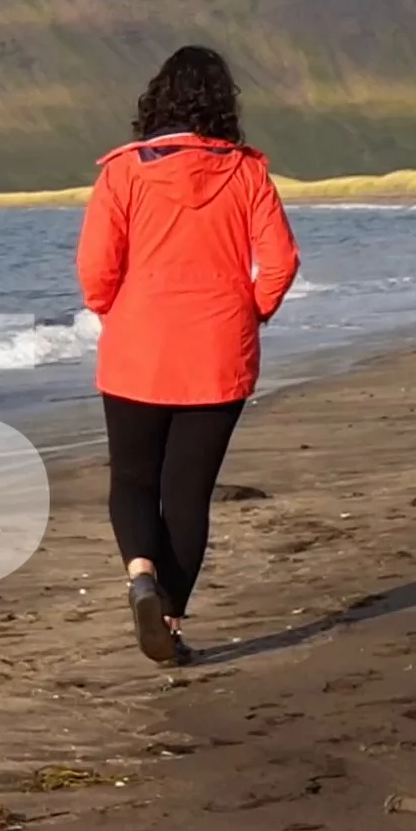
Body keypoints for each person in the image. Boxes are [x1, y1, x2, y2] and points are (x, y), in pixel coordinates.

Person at [76, 44, 299, 665]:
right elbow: (280, 262)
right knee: (189, 495)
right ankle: (168, 623)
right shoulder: (248, 172)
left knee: (133, 480)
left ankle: (141, 577)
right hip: (218, 352)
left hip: (136, 347)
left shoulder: (122, 172)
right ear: (224, 104)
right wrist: (248, 311)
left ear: (158, 100)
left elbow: (96, 269)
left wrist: (113, 312)